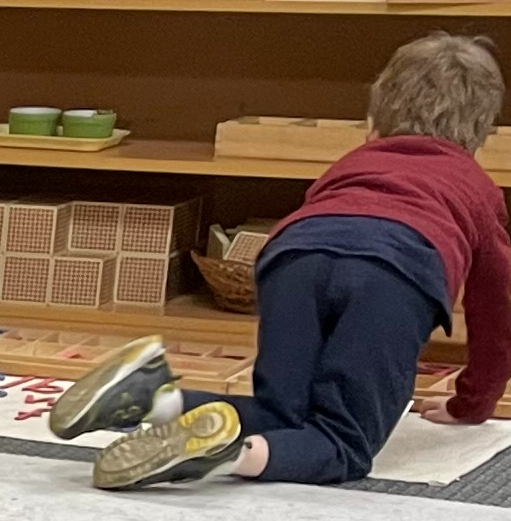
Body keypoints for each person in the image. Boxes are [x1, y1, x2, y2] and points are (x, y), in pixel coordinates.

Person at [71, 32, 510, 490]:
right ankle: (224, 454)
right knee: (344, 441)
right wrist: (473, 402)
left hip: (291, 256)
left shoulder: (352, 162)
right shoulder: (477, 189)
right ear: (480, 135)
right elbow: (496, 311)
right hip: (394, 271)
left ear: (373, 123)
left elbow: (327, 224)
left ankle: (153, 401)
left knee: (281, 412)